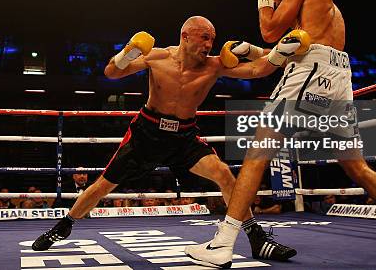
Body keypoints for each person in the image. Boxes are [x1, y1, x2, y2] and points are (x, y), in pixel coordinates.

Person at [186, 0, 376, 269]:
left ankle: (223, 243)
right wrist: (253, 51)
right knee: (358, 168)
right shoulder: (325, 8)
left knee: (256, 156)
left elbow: (270, 30)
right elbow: (293, 53)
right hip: (337, 78)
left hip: (311, 75)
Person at [32, 15, 304, 261]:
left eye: (212, 39)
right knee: (103, 186)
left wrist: (281, 51)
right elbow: (111, 73)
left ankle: (256, 237)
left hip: (184, 136)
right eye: (204, 37)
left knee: (224, 174)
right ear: (185, 36)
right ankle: (64, 225)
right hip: (146, 134)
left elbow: (258, 70)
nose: (210, 44)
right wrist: (128, 52)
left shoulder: (214, 65)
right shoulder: (158, 57)